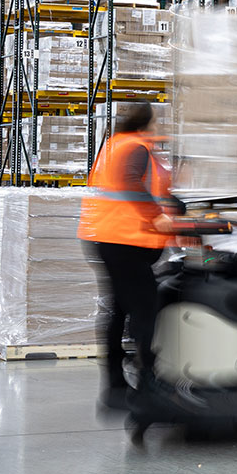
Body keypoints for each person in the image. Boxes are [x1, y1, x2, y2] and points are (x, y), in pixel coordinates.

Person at [78, 103, 180, 411]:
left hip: (107, 237)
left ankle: (115, 388)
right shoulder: (135, 147)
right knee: (144, 309)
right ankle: (147, 381)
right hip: (124, 240)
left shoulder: (115, 144)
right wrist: (157, 215)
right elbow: (131, 180)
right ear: (147, 122)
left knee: (119, 309)